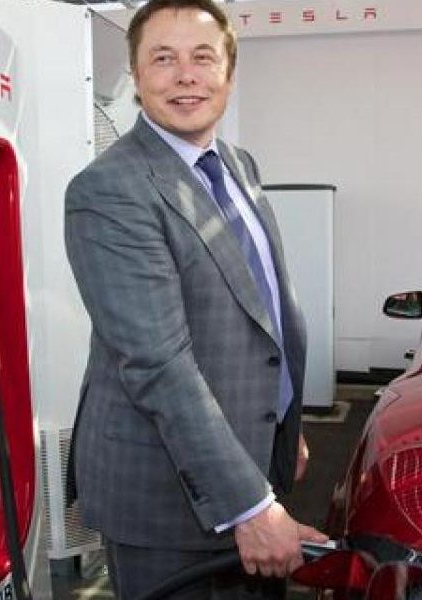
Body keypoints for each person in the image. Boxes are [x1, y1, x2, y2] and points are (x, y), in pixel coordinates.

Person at [63, 0, 328, 598]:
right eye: (163, 59)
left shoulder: (237, 164)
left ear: (228, 74)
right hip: (163, 499)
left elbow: (260, 309)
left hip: (250, 458)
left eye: (203, 57)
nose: (186, 76)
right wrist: (251, 505)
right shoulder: (110, 189)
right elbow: (159, 364)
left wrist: (282, 422)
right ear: (136, 77)